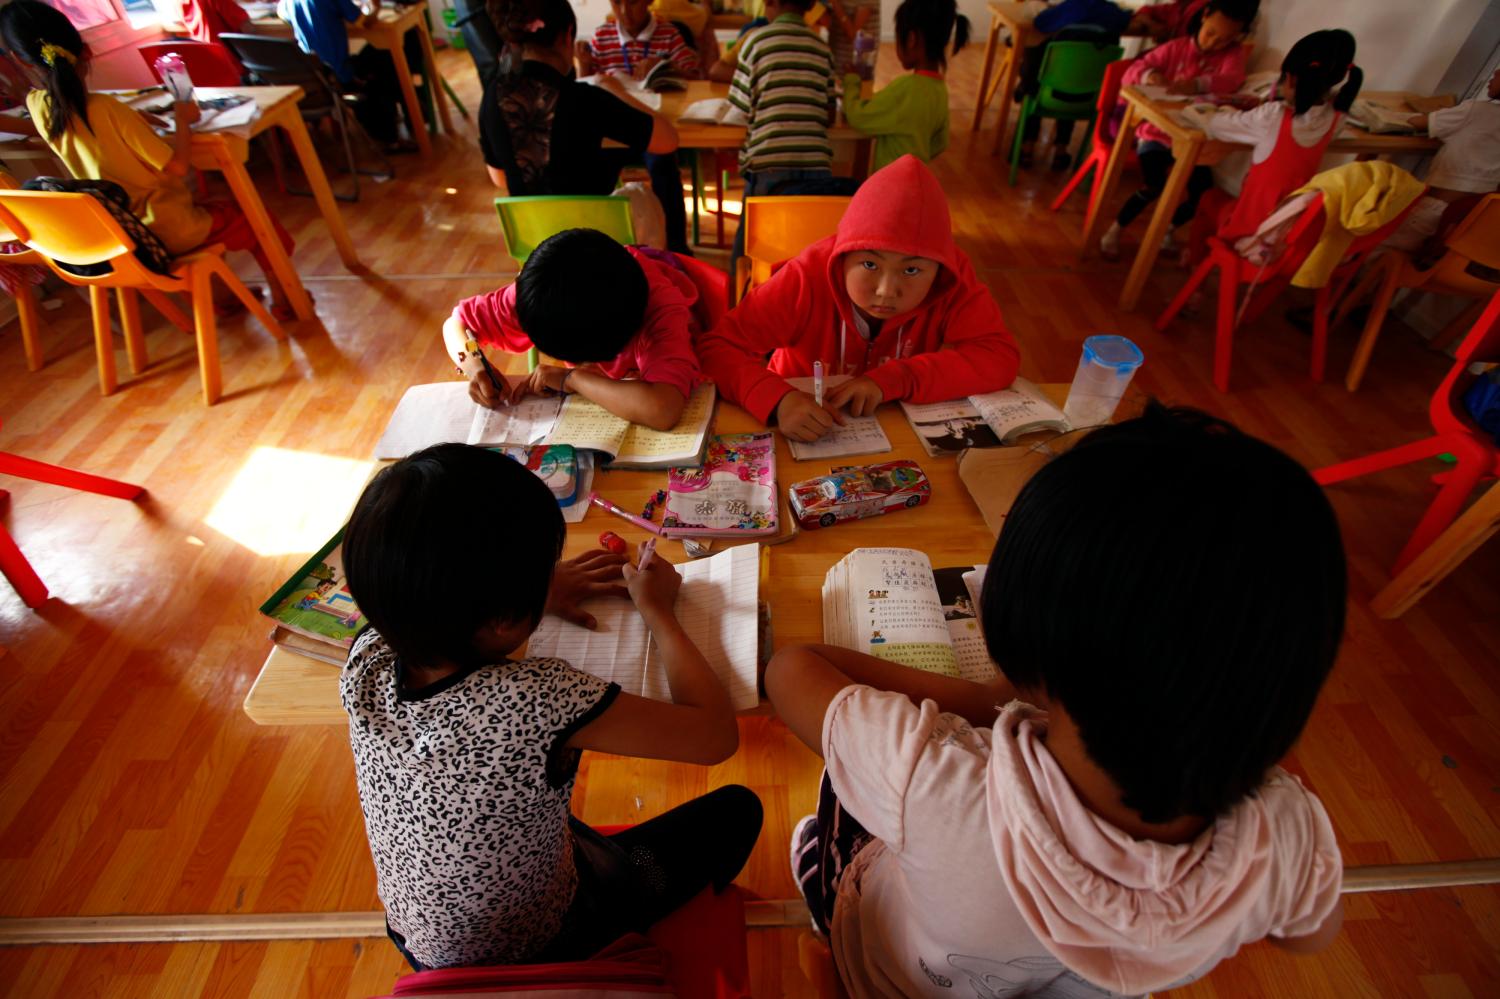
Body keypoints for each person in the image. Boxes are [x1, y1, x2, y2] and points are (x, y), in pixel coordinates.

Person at [766, 404, 1346, 998]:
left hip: (886, 976)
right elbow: (1310, 935)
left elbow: (791, 670)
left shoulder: (936, 781)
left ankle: (822, 885)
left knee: (842, 787)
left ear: (1031, 651)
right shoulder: (1284, 831)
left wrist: (993, 701)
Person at [341, 443, 762, 970]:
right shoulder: (535, 699)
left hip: (420, 936)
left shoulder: (367, 655)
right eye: (546, 569)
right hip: (536, 944)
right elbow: (714, 737)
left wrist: (530, 591)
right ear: (500, 618)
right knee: (737, 811)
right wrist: (659, 612)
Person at [0, 1, 296, 318]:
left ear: (18, 60)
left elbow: (69, 125)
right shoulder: (107, 108)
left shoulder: (38, 106)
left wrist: (135, 120)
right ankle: (286, 299)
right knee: (251, 215)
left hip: (123, 233)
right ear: (85, 51)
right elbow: (179, 166)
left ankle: (224, 299)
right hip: (166, 228)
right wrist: (182, 118)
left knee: (212, 207)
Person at [698, 154, 1021, 442]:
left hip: (892, 424)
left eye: (912, 271)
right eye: (869, 264)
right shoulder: (806, 277)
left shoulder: (953, 276)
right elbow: (716, 347)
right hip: (796, 421)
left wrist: (897, 378)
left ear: (938, 269)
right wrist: (778, 399)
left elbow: (998, 357)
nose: (885, 290)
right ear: (843, 256)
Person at [481, 0, 689, 253]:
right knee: (642, 197)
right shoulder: (584, 99)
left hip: (537, 250)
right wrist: (619, 92)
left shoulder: (492, 96)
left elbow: (500, 178)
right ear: (568, 35)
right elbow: (667, 140)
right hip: (595, 245)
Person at [443, 228, 701, 430]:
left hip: (689, 373)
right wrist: (476, 368)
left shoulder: (660, 312)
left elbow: (663, 409)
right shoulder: (542, 290)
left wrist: (572, 378)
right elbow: (456, 324)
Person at [1184, 29, 1363, 267]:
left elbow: (1214, 125)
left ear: (1289, 78)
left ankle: (1194, 271)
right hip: (1285, 234)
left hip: (1250, 231)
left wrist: (1220, 110)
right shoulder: (1336, 120)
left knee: (1209, 198)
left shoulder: (1273, 116)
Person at [1097, 0, 1258, 261]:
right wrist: (1150, 75)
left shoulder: (1232, 54)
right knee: (1154, 184)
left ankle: (1167, 230)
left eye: (1225, 39)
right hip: (1156, 133)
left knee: (1203, 194)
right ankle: (1115, 229)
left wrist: (1197, 84)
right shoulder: (1176, 47)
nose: (1213, 43)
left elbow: (1232, 79)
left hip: (1193, 141)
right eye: (1211, 33)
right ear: (1204, 16)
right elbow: (1133, 72)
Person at [1383, 64, 1500, 256]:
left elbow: (1420, 122)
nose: (1491, 78)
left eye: (1497, 75)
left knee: (1375, 242)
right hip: (1467, 223)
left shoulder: (1476, 111)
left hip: (1431, 210)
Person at [840, 0, 968, 172]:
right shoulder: (940, 90)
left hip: (890, 187)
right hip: (915, 182)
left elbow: (858, 116)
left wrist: (851, 82)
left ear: (911, 39)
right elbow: (941, 142)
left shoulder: (905, 89)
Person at [278, 0, 423, 152]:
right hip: (337, 76)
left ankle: (400, 120)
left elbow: (283, 17)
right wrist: (376, 7)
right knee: (390, 57)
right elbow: (362, 22)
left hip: (313, 76)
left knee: (378, 57)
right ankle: (393, 135)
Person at [728, 0, 838, 198]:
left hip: (768, 162)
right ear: (812, 4)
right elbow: (829, 114)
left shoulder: (756, 42)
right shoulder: (823, 49)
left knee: (756, 228)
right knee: (808, 228)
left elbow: (740, 108)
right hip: (816, 164)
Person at [1013, 0, 1132, 172]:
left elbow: (1041, 24)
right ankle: (1061, 150)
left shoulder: (1070, 8)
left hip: (1049, 94)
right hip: (1089, 98)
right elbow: (1127, 20)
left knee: (1040, 77)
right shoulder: (1113, 12)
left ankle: (1027, 147)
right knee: (1075, 80)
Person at [578, 0, 701, 79]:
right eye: (616, 2)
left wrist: (665, 67)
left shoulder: (669, 35)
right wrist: (584, 64)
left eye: (633, 2)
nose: (624, 11)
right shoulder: (601, 37)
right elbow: (585, 89)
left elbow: (696, 77)